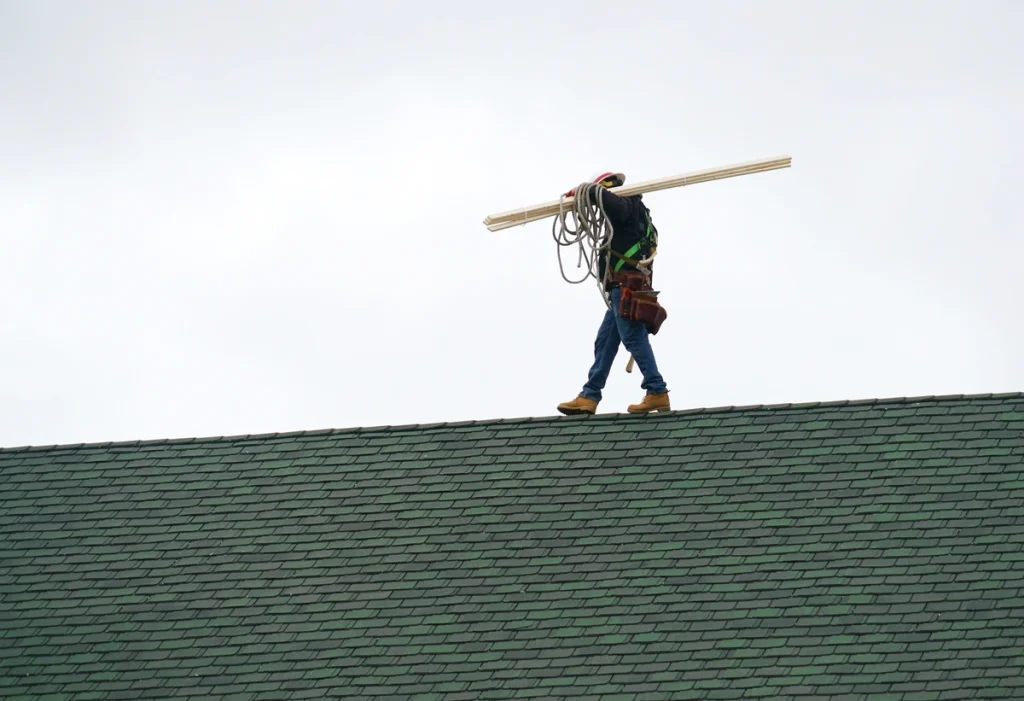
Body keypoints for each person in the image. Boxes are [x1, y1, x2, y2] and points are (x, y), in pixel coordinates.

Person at [557, 171, 671, 416]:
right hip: (623, 290)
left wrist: (586, 190)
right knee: (605, 341)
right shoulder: (638, 214)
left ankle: (656, 390)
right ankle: (590, 395)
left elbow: (612, 204)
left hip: (625, 288)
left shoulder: (628, 205)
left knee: (633, 338)